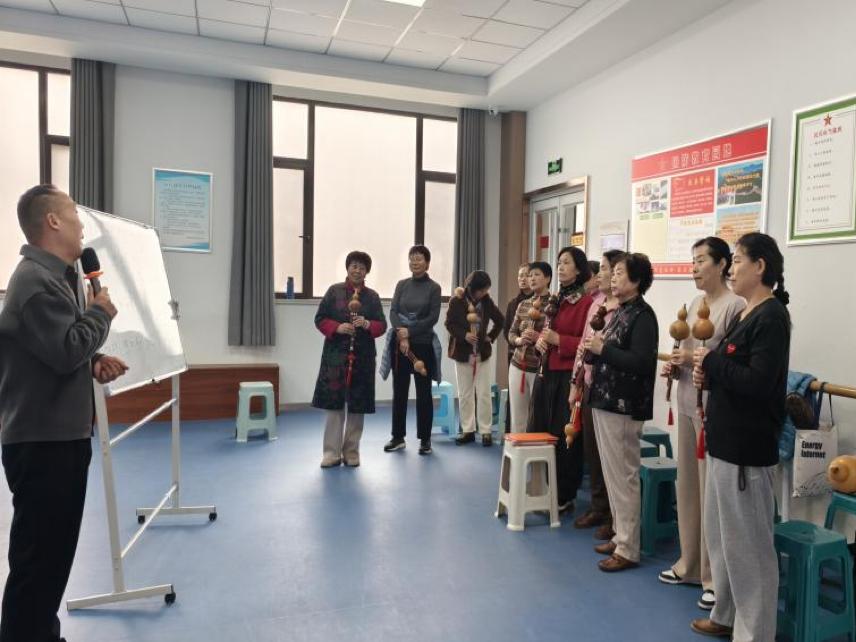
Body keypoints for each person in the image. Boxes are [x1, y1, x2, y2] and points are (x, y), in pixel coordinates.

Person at [0, 185, 128, 642]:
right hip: (42, 443)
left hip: (61, 437)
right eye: (73, 213)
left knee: (51, 559)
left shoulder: (59, 276)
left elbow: (56, 347)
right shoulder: (35, 282)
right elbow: (64, 348)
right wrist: (101, 314)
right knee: (38, 564)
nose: (80, 223)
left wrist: (94, 360)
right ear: (52, 221)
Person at [690, 232, 789, 641]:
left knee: (750, 548)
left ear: (760, 267)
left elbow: (758, 382)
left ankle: (755, 632)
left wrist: (714, 363)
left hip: (746, 449)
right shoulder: (747, 313)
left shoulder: (771, 318)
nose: (732, 269)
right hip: (724, 442)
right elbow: (734, 374)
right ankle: (726, 613)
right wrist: (709, 375)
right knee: (723, 539)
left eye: (738, 261)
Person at [658, 238, 745, 611]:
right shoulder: (695, 304)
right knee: (688, 487)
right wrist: (675, 362)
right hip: (685, 400)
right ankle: (689, 563)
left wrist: (694, 357)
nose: (694, 267)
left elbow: (728, 360)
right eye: (692, 261)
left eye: (701, 260)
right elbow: (689, 350)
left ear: (722, 264)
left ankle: (713, 577)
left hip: (711, 409)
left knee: (711, 494)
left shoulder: (735, 306)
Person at [585, 252, 658, 572]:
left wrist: (603, 350)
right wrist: (595, 351)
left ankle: (629, 547)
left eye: (619, 273)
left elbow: (641, 363)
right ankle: (619, 534)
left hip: (624, 405)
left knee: (624, 476)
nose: (612, 278)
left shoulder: (643, 316)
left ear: (636, 280)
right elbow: (607, 351)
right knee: (612, 475)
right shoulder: (621, 311)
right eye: (612, 272)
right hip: (605, 399)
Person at [528, 247, 593, 513]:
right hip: (546, 371)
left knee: (564, 435)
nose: (561, 267)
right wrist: (541, 342)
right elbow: (547, 331)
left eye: (567, 262)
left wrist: (559, 340)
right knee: (540, 429)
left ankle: (564, 494)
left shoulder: (586, 303)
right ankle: (541, 488)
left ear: (578, 269)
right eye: (559, 262)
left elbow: (588, 343)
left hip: (568, 375)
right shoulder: (556, 299)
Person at [312, 251, 387, 468]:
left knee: (357, 406)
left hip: (363, 357)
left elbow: (382, 325)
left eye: (362, 268)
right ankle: (331, 453)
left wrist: (367, 324)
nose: (357, 270)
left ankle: (352, 452)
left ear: (366, 272)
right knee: (334, 405)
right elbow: (320, 319)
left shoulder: (372, 297)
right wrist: (337, 327)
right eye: (354, 266)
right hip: (335, 357)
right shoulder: (333, 291)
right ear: (347, 268)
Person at [571, 249, 624, 537]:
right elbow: (583, 345)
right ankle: (599, 506)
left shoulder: (624, 311)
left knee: (610, 458)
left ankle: (614, 517)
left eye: (604, 269)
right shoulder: (596, 304)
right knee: (592, 450)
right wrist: (575, 382)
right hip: (589, 383)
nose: (599, 275)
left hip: (611, 390)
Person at [383, 245, 442, 455]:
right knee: (399, 391)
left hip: (423, 344)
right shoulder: (402, 284)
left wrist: (410, 332)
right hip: (399, 343)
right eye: (412, 258)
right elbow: (393, 311)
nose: (414, 262)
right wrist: (402, 334)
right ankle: (397, 437)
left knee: (424, 393)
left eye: (419, 259)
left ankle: (425, 439)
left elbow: (432, 318)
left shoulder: (434, 288)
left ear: (427, 263)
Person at [446, 270, 504, 447]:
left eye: (486, 289)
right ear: (472, 288)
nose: (484, 293)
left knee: (484, 393)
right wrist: (464, 335)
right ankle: (468, 430)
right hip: (462, 353)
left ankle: (486, 431)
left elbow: (500, 320)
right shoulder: (457, 301)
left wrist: (490, 336)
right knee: (465, 394)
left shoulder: (486, 301)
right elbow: (449, 324)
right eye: (482, 290)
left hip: (482, 354)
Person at [506, 262, 551, 433]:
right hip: (518, 364)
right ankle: (516, 449)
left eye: (536, 275)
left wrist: (538, 337)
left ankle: (534, 450)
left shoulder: (553, 305)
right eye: (530, 275)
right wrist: (519, 340)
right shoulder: (523, 304)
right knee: (517, 417)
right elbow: (511, 333)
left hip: (539, 369)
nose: (531, 278)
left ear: (547, 278)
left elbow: (553, 336)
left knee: (537, 419)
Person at [502, 263, 532, 431]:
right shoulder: (513, 303)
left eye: (526, 275)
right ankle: (511, 433)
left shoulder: (540, 302)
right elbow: (507, 331)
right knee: (515, 399)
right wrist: (517, 342)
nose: (523, 279)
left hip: (533, 358)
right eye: (520, 275)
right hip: (515, 355)